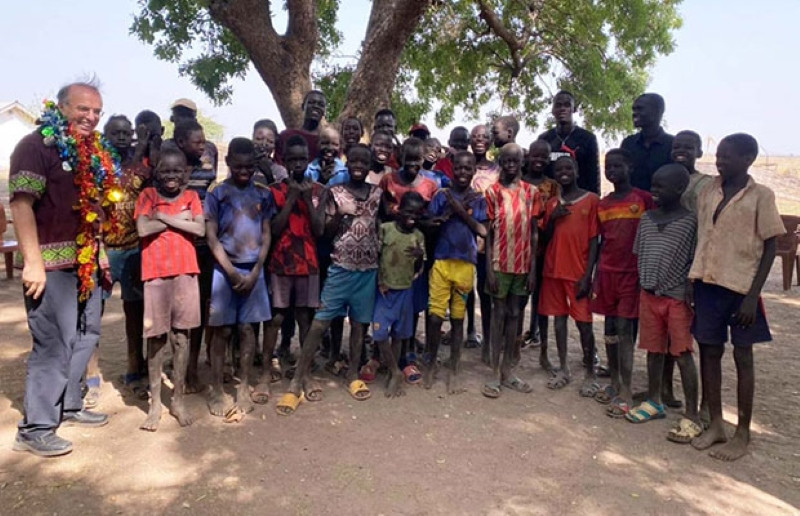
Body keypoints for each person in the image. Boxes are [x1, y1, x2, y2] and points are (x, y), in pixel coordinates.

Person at [10, 81, 112, 456]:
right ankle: (35, 428)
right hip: (50, 268)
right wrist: (33, 263)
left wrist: (101, 252)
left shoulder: (90, 151)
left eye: (97, 111)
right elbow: (21, 204)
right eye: (83, 109)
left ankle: (69, 405)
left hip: (86, 262)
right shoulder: (36, 146)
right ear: (62, 106)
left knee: (86, 334)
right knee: (53, 343)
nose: (91, 117)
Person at [689, 133, 784, 461]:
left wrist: (752, 296)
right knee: (709, 351)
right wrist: (692, 280)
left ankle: (742, 432)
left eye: (727, 157)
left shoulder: (761, 196)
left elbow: (770, 246)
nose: (720, 161)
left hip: (742, 288)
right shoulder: (708, 191)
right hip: (707, 283)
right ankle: (716, 423)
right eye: (719, 155)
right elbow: (702, 236)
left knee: (743, 356)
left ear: (748, 159)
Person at [277, 144, 382, 414]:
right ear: (347, 162)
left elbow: (379, 227)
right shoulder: (333, 192)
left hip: (368, 270)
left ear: (370, 165)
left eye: (364, 162)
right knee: (319, 323)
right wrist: (340, 214)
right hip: (340, 268)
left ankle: (353, 375)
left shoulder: (378, 193)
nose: (359, 166)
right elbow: (323, 230)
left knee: (359, 325)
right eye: (354, 161)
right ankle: (297, 380)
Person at [625, 164, 701, 445]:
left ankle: (692, 414)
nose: (654, 191)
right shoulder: (646, 219)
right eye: (653, 185)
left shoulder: (690, 222)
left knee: (682, 352)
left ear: (680, 189)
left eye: (660, 186)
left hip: (676, 297)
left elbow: (693, 259)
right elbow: (640, 254)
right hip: (649, 294)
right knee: (653, 349)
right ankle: (654, 400)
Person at [204, 138, 276, 417]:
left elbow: (266, 234)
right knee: (222, 331)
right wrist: (232, 272)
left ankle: (244, 385)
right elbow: (211, 237)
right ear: (228, 163)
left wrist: (256, 270)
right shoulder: (217, 193)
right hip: (224, 271)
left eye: (249, 166)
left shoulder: (263, 194)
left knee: (247, 330)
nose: (244, 171)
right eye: (238, 166)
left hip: (254, 271)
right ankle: (216, 388)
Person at [135, 148, 205, 431]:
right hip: (155, 274)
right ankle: (155, 403)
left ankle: (177, 399)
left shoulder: (192, 197)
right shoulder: (147, 196)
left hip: (186, 272)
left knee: (181, 338)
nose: (171, 176)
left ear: (185, 173)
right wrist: (181, 221)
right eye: (165, 170)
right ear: (157, 172)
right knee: (156, 339)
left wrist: (162, 218)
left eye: (177, 170)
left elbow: (200, 230)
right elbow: (142, 229)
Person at [591, 149, 653, 417]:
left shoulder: (643, 199)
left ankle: (626, 390)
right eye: (608, 166)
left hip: (632, 274)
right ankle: (614, 381)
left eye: (618, 165)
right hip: (607, 273)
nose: (612, 170)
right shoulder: (603, 204)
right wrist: (594, 275)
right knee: (610, 329)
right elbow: (598, 242)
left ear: (630, 167)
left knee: (626, 330)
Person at [259, 136, 324, 393]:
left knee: (305, 318)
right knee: (276, 318)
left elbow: (319, 230)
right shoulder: (274, 190)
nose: (298, 164)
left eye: (302, 159)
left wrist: (306, 200)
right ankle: (266, 373)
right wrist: (290, 199)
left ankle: (304, 374)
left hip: (308, 263)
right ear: (284, 161)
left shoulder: (318, 191)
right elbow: (274, 229)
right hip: (281, 262)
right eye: (292, 159)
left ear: (308, 160)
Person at [102, 113, 156, 402]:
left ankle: (136, 369)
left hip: (135, 247)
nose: (122, 137)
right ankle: (90, 375)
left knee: (135, 312)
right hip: (105, 249)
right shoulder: (98, 165)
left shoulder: (143, 165)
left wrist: (144, 150)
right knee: (92, 314)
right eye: (116, 133)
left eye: (127, 132)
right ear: (106, 135)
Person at [481, 143, 542, 399]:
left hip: (523, 264)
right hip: (499, 263)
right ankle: (495, 371)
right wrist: (489, 270)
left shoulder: (532, 192)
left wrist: (533, 269)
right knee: (498, 314)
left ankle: (508, 370)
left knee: (515, 314)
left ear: (521, 163)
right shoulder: (492, 192)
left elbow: (535, 233)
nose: (510, 165)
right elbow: (488, 234)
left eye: (514, 161)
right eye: (505, 161)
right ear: (500, 162)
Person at [424, 151, 488, 394]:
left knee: (458, 317)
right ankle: (431, 361)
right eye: (458, 167)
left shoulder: (478, 199)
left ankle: (455, 364)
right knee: (435, 315)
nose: (462, 172)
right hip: (441, 261)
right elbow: (429, 224)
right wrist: (443, 216)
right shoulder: (442, 195)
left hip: (465, 264)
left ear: (474, 171)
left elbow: (482, 230)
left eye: (467, 168)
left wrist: (459, 211)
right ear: (452, 169)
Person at [539, 156, 599, 394]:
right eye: (559, 169)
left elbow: (594, 241)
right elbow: (545, 237)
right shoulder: (552, 203)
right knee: (559, 320)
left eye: (568, 168)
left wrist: (588, 275)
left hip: (578, 272)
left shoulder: (591, 200)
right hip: (553, 270)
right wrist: (552, 219)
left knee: (584, 323)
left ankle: (590, 373)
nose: (564, 172)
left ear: (577, 171)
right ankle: (563, 368)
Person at [174, 120, 215, 394]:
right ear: (181, 143)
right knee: (177, 311)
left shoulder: (206, 172)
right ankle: (179, 365)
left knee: (200, 309)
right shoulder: (170, 169)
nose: (202, 146)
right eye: (196, 142)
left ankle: (192, 368)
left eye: (203, 141)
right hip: (176, 248)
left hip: (202, 248)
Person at [373, 192, 426, 397]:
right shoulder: (386, 229)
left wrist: (419, 257)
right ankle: (395, 370)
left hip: (405, 290)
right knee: (379, 332)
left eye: (417, 214)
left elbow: (419, 268)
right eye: (409, 212)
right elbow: (376, 257)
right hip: (385, 290)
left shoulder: (418, 236)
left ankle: (392, 374)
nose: (412, 217)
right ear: (399, 210)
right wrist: (380, 281)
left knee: (398, 334)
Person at [519, 139, 559, 348]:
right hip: (519, 246)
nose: (539, 160)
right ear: (528, 156)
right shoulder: (518, 182)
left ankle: (536, 334)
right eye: (535, 155)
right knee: (520, 294)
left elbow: (555, 214)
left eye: (544, 156)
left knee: (540, 295)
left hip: (543, 246)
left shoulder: (553, 186)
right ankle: (515, 336)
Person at [468, 124, 499, 356]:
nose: (479, 140)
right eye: (475, 137)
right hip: (463, 237)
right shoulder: (462, 163)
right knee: (465, 287)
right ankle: (470, 329)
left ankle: (488, 340)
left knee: (485, 288)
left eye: (484, 137)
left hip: (488, 238)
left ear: (490, 141)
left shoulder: (497, 169)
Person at [538, 90, 600, 194]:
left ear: (573, 109)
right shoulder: (544, 139)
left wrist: (594, 199)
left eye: (567, 105)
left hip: (580, 198)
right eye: (558, 105)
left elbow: (594, 175)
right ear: (553, 110)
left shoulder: (588, 138)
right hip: (550, 197)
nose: (562, 108)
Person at [620, 93, 673, 192]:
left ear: (657, 111)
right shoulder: (628, 144)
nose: (634, 113)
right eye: (634, 110)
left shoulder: (673, 144)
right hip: (634, 201)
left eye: (640, 109)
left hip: (663, 201)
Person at [163, 98, 219, 171]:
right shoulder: (166, 146)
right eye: (180, 115)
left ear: (195, 119)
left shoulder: (208, 148)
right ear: (173, 119)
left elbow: (208, 172)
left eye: (188, 115)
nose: (183, 119)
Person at [275, 90, 326, 163]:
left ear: (324, 111)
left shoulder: (328, 142)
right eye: (311, 102)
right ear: (303, 106)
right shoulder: (286, 136)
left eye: (321, 105)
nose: (316, 106)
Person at [673, 130, 713, 213]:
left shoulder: (706, 183)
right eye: (676, 147)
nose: (681, 150)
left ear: (699, 153)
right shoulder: (663, 179)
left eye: (688, 147)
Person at [252, 119, 288, 185]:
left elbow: (282, 190)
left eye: (270, 141)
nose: (264, 144)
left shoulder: (279, 171)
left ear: (275, 145)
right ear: (252, 139)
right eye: (259, 139)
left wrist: (269, 175)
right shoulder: (242, 165)